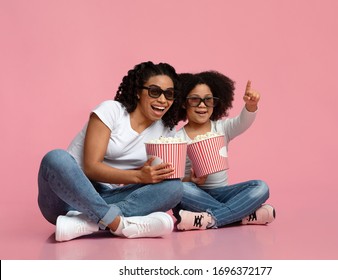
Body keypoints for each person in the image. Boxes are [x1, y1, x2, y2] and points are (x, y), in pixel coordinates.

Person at [38, 61, 184, 241]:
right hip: (67, 197)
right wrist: (139, 176)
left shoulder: (167, 130)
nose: (163, 100)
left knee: (174, 187)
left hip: (109, 198)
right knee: (56, 158)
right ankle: (118, 224)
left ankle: (87, 223)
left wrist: (155, 174)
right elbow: (92, 168)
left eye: (169, 94)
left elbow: (157, 176)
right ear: (138, 92)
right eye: (155, 91)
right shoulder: (111, 111)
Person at [173, 71, 275, 230]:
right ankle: (242, 215)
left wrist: (251, 105)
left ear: (215, 102)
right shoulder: (177, 139)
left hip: (224, 192)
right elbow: (178, 181)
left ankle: (209, 219)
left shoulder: (222, 128)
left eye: (208, 100)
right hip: (196, 195)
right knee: (180, 189)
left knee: (261, 187)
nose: (202, 105)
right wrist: (191, 180)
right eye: (195, 100)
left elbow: (243, 121)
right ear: (183, 103)